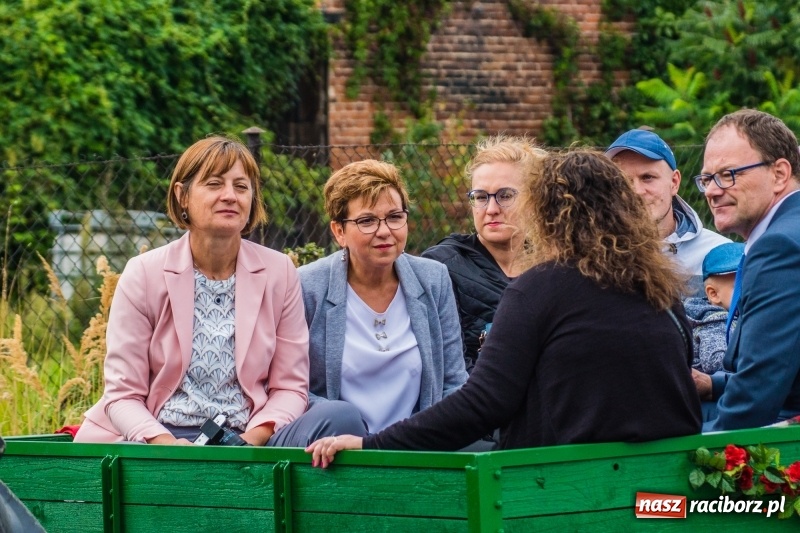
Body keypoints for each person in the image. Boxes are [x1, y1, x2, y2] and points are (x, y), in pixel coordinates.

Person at [306, 149, 702, 465]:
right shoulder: (659, 288)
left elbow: (483, 402)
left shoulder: (539, 290)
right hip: (664, 487)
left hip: (563, 488)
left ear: (544, 215)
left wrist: (373, 446)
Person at [74, 136, 363, 445]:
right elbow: (123, 394)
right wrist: (169, 448)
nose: (229, 196)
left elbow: (289, 388)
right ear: (182, 195)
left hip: (248, 438)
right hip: (160, 437)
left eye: (241, 187)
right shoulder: (144, 273)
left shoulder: (279, 272)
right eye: (214, 184)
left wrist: (250, 442)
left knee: (341, 419)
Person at [298, 160, 468, 435]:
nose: (384, 231)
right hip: (337, 453)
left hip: (417, 448)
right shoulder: (308, 287)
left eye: (394, 217)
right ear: (339, 231)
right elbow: (296, 391)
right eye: (366, 221)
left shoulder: (433, 279)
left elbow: (453, 383)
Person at [692, 109, 800, 431]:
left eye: (728, 174)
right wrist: (713, 383)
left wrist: (689, 455)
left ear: (779, 173)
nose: (712, 191)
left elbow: (755, 398)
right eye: (708, 178)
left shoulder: (780, 246)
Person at [421, 136, 547, 372]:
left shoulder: (555, 264)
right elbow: (449, 370)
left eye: (506, 196)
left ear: (534, 199)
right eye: (480, 197)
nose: (491, 209)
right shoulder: (443, 267)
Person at [606, 129, 730, 295]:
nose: (636, 190)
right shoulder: (593, 258)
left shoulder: (719, 254)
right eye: (623, 181)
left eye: (647, 177)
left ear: (674, 182)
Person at [683, 242, 745, 374]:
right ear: (714, 294)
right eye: (740, 285)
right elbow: (715, 363)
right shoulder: (714, 321)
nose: (750, 290)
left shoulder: (737, 314)